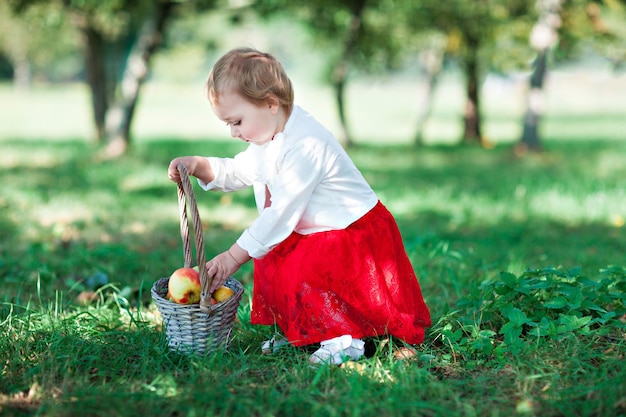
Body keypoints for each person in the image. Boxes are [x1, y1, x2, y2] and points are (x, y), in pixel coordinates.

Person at [167, 47, 431, 365]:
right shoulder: (268, 136)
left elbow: (281, 213)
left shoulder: (307, 144)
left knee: (307, 264)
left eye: (237, 121)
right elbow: (237, 171)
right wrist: (198, 165)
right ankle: (304, 330)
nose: (235, 132)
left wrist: (233, 257)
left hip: (347, 232)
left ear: (271, 103)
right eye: (229, 126)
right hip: (311, 229)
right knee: (274, 258)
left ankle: (343, 339)